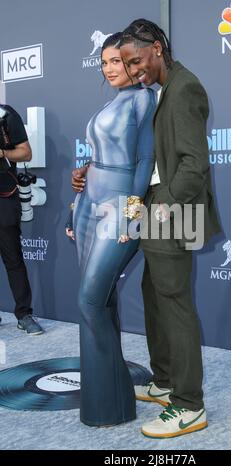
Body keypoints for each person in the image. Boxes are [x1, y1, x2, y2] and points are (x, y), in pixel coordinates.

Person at [119, 19, 221, 438]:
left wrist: (165, 209)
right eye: (125, 64)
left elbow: (195, 162)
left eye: (136, 60)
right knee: (154, 296)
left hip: (172, 211)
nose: (131, 70)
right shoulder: (162, 90)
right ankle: (164, 381)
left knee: (174, 304)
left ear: (158, 48)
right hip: (155, 206)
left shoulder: (184, 88)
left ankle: (189, 405)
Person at [72, 32, 156, 427]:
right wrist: (81, 187)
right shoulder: (111, 103)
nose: (108, 69)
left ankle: (115, 392)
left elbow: (143, 161)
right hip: (89, 203)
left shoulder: (144, 99)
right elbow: (100, 158)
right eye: (104, 62)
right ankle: (108, 403)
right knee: (100, 303)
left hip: (121, 206)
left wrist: (132, 212)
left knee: (89, 301)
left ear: (133, 62)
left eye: (116, 61)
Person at [0, 104, 43, 335]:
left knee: (13, 258)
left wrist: (2, 153)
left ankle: (24, 314)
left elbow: (26, 152)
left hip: (4, 197)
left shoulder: (6, 115)